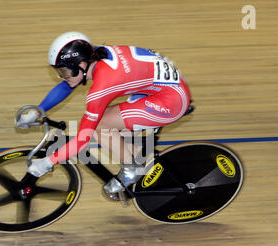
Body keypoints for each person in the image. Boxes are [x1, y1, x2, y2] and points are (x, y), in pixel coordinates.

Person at [18, 31, 191, 196]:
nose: (61, 77)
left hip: (171, 101)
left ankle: (132, 170)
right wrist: (37, 110)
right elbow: (68, 84)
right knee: (111, 125)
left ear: (81, 65)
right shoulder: (94, 54)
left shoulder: (102, 86)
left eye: (63, 71)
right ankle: (136, 154)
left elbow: (83, 138)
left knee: (100, 126)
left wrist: (48, 162)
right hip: (158, 88)